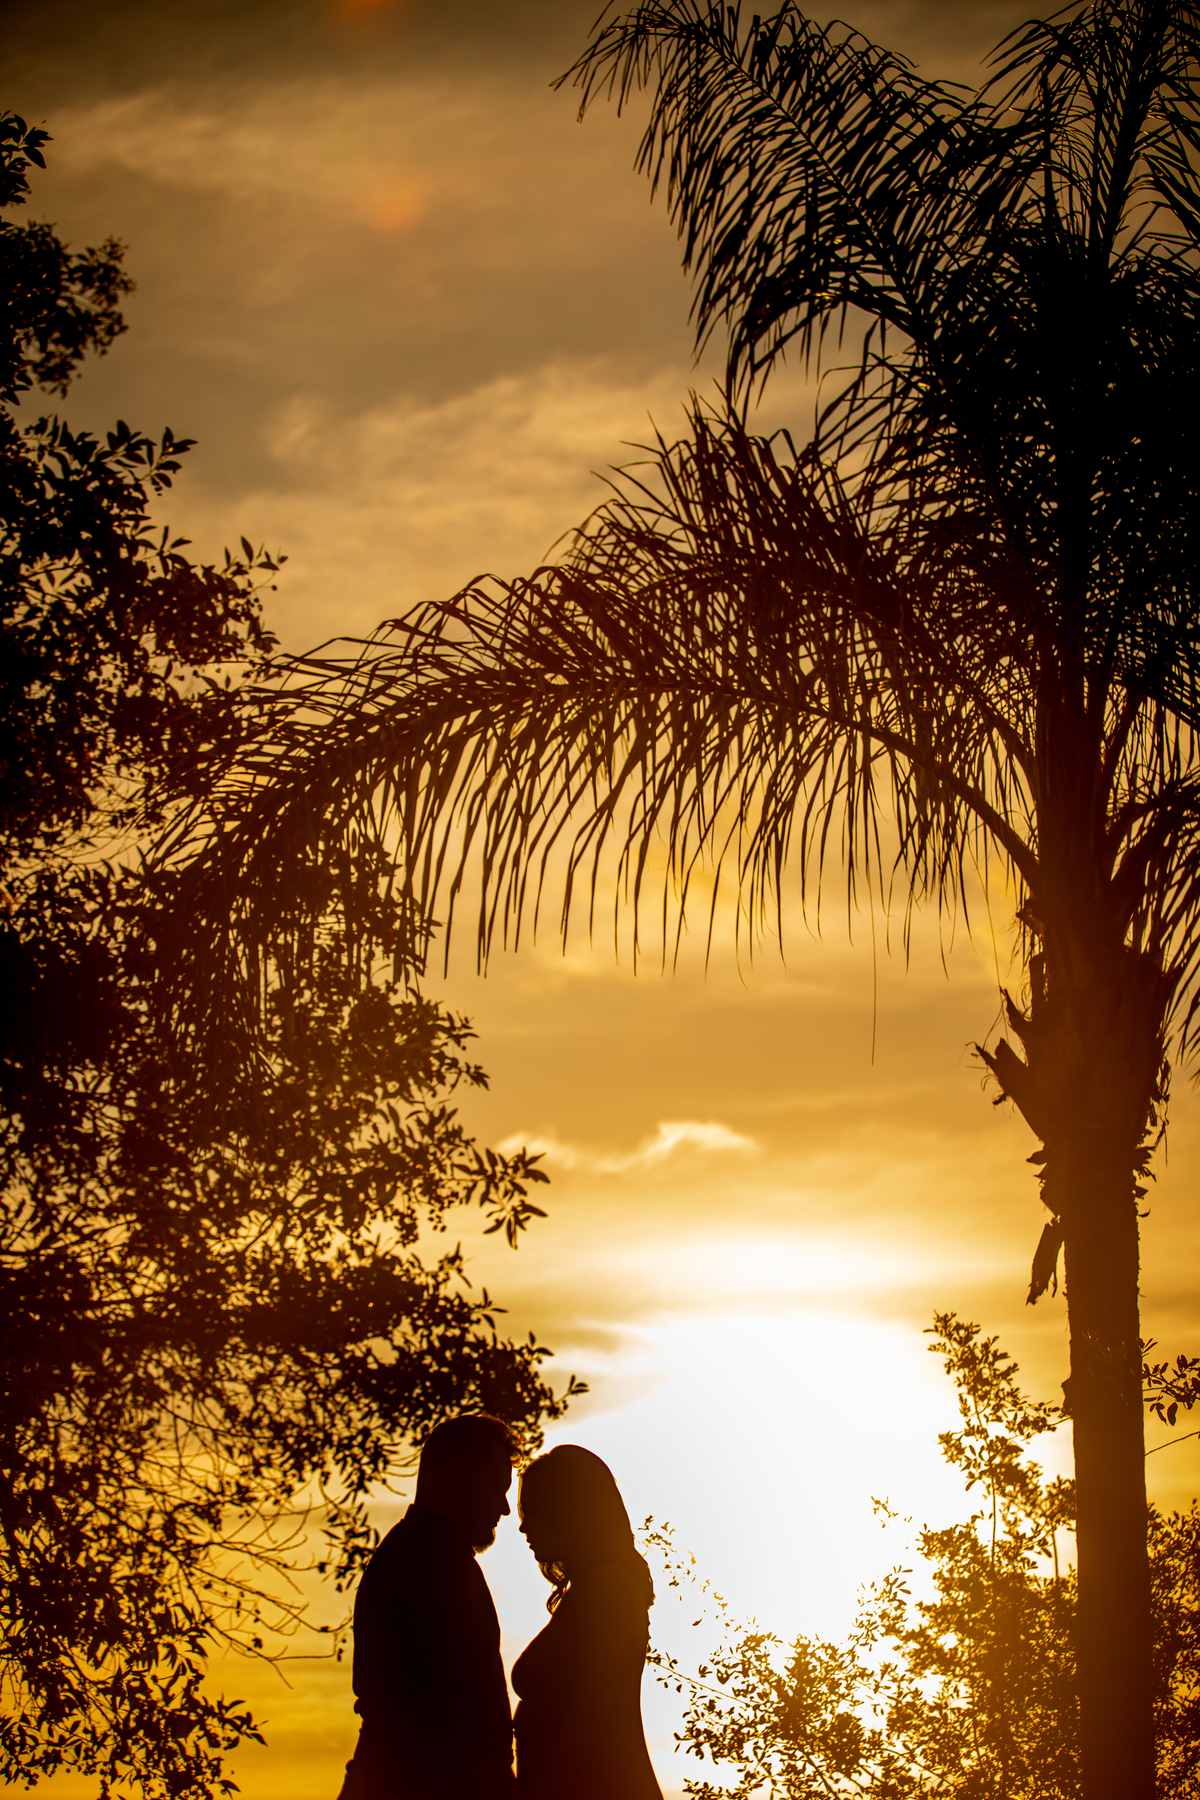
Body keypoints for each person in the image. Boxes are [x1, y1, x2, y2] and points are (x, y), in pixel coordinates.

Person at [338, 1413, 520, 1800]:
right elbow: (456, 1725)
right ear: (460, 1480)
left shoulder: (410, 1556)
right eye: (497, 1488)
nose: (505, 1509)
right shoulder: (435, 1566)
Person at [512, 1445, 664, 1800]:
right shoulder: (588, 1592)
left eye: (533, 1510)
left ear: (568, 1508)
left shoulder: (610, 1588)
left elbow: (592, 1715)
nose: (522, 1526)